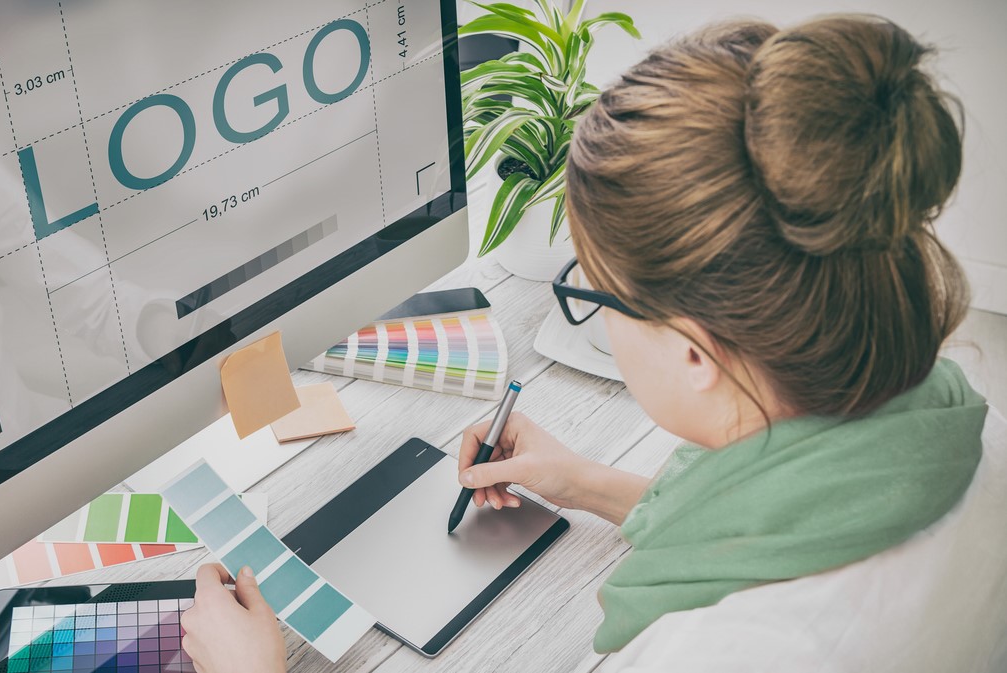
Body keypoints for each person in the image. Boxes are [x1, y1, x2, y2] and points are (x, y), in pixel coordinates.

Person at [178, 15, 1006, 673]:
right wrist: (592, 484)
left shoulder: (727, 651)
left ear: (694, 353)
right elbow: (802, 507)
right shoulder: (975, 435)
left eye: (596, 288)